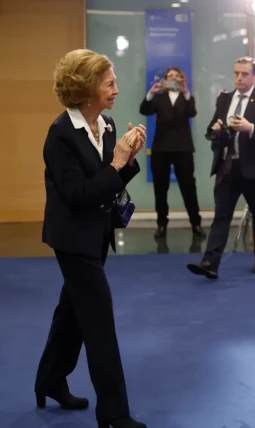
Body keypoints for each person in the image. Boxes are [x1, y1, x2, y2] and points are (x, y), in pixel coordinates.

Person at [34, 49, 147, 428]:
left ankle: (49, 380)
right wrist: (116, 164)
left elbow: (106, 188)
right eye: (109, 83)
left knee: (72, 313)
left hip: (98, 233)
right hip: (71, 239)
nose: (117, 89)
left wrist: (127, 160)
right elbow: (79, 196)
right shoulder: (59, 135)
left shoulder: (109, 124)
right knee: (99, 322)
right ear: (85, 89)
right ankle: (113, 412)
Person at [187, 56, 255, 279]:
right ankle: (210, 262)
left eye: (244, 74)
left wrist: (250, 128)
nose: (239, 77)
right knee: (221, 216)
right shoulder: (225, 98)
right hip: (227, 166)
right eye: (236, 73)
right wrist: (216, 129)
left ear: (254, 76)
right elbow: (211, 129)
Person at [140, 66, 205, 240]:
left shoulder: (186, 97)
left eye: (177, 76)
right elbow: (144, 110)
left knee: (188, 187)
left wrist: (186, 92)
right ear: (164, 80)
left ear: (182, 79)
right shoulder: (159, 98)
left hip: (183, 149)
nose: (173, 79)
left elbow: (192, 112)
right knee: (160, 189)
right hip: (161, 148)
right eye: (170, 76)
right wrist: (151, 93)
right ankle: (161, 225)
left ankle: (196, 223)